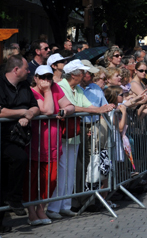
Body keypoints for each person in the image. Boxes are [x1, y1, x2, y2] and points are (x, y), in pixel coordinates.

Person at [47, 60, 114, 218]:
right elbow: (73, 107)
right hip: (63, 135)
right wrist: (98, 110)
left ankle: (65, 205)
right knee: (62, 171)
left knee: (70, 171)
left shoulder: (77, 88)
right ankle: (53, 208)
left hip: (74, 134)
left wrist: (100, 109)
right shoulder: (61, 86)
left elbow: (87, 105)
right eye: (82, 72)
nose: (85, 75)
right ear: (74, 74)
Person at [27, 65, 75, 225]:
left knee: (51, 180)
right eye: (42, 77)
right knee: (32, 180)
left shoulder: (55, 88)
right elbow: (47, 110)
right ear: (35, 78)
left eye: (49, 77)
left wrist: (65, 111)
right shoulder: (31, 92)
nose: (46, 80)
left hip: (53, 144)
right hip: (35, 144)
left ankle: (41, 208)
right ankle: (32, 212)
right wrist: (47, 91)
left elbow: (70, 105)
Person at [0, 55, 40, 219]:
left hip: (17, 137)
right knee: (18, 159)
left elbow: (35, 107)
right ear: (16, 70)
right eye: (26, 68)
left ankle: (12, 201)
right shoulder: (0, 85)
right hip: (2, 137)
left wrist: (29, 113)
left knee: (15, 164)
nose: (29, 71)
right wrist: (21, 112)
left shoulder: (24, 85)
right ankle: (13, 199)